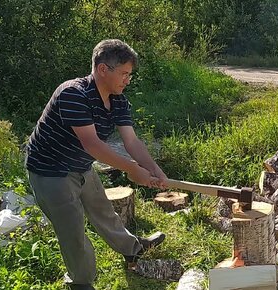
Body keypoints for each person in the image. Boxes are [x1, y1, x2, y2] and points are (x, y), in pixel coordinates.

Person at [25, 39, 168, 290]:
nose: (128, 80)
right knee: (73, 231)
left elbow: (132, 141)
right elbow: (92, 144)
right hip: (50, 171)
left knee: (102, 209)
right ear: (103, 69)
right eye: (124, 74)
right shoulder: (73, 94)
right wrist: (133, 169)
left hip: (80, 165)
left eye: (129, 74)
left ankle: (132, 249)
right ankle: (81, 283)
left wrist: (154, 169)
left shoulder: (118, 100)